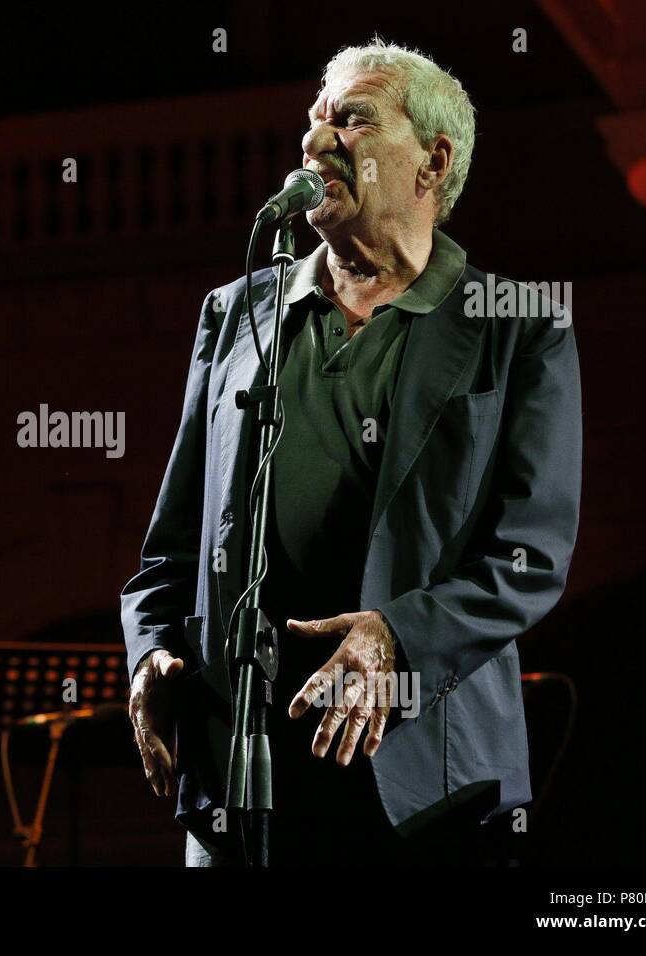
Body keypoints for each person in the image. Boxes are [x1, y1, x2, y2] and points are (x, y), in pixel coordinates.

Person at [121, 38, 582, 866]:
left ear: (432, 162)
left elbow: (529, 557)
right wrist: (151, 650)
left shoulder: (516, 322)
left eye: (352, 118)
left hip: (422, 783)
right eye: (312, 120)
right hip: (240, 776)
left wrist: (394, 637)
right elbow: (169, 553)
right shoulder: (237, 313)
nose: (315, 140)